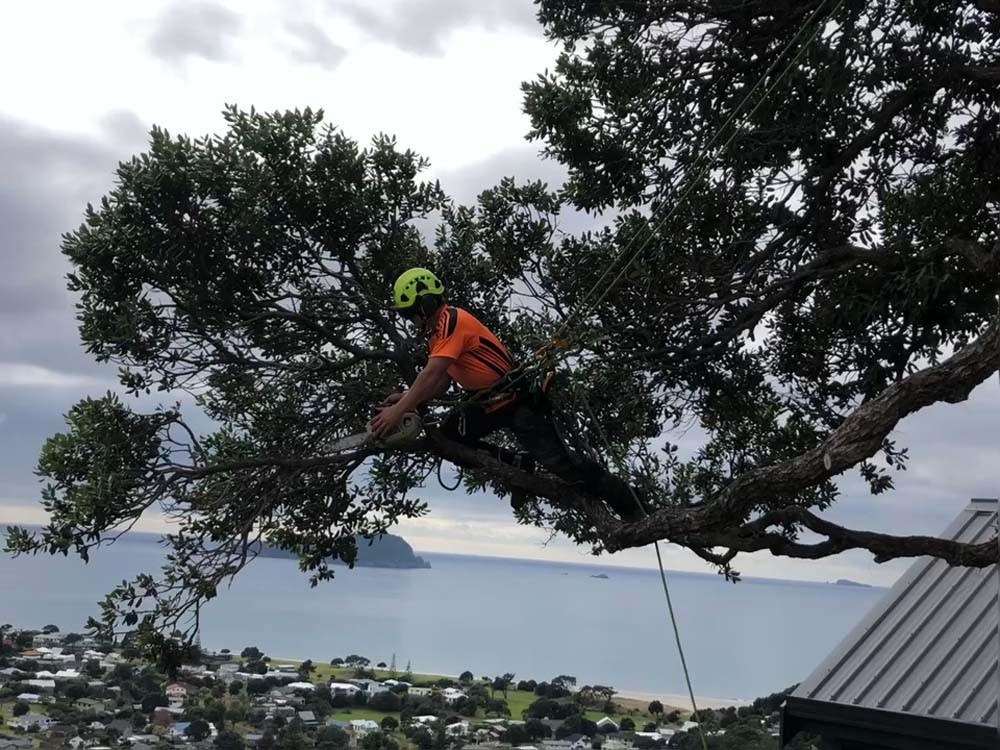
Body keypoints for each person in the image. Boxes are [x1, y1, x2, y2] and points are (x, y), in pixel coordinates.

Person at [368, 267, 642, 520]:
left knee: (565, 466)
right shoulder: (438, 333)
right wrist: (408, 398)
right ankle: (518, 464)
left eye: (409, 313)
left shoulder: (451, 321)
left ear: (425, 305)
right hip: (488, 402)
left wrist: (400, 409)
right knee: (450, 440)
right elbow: (439, 382)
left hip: (514, 400)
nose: (410, 320)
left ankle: (632, 505)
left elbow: (431, 373)